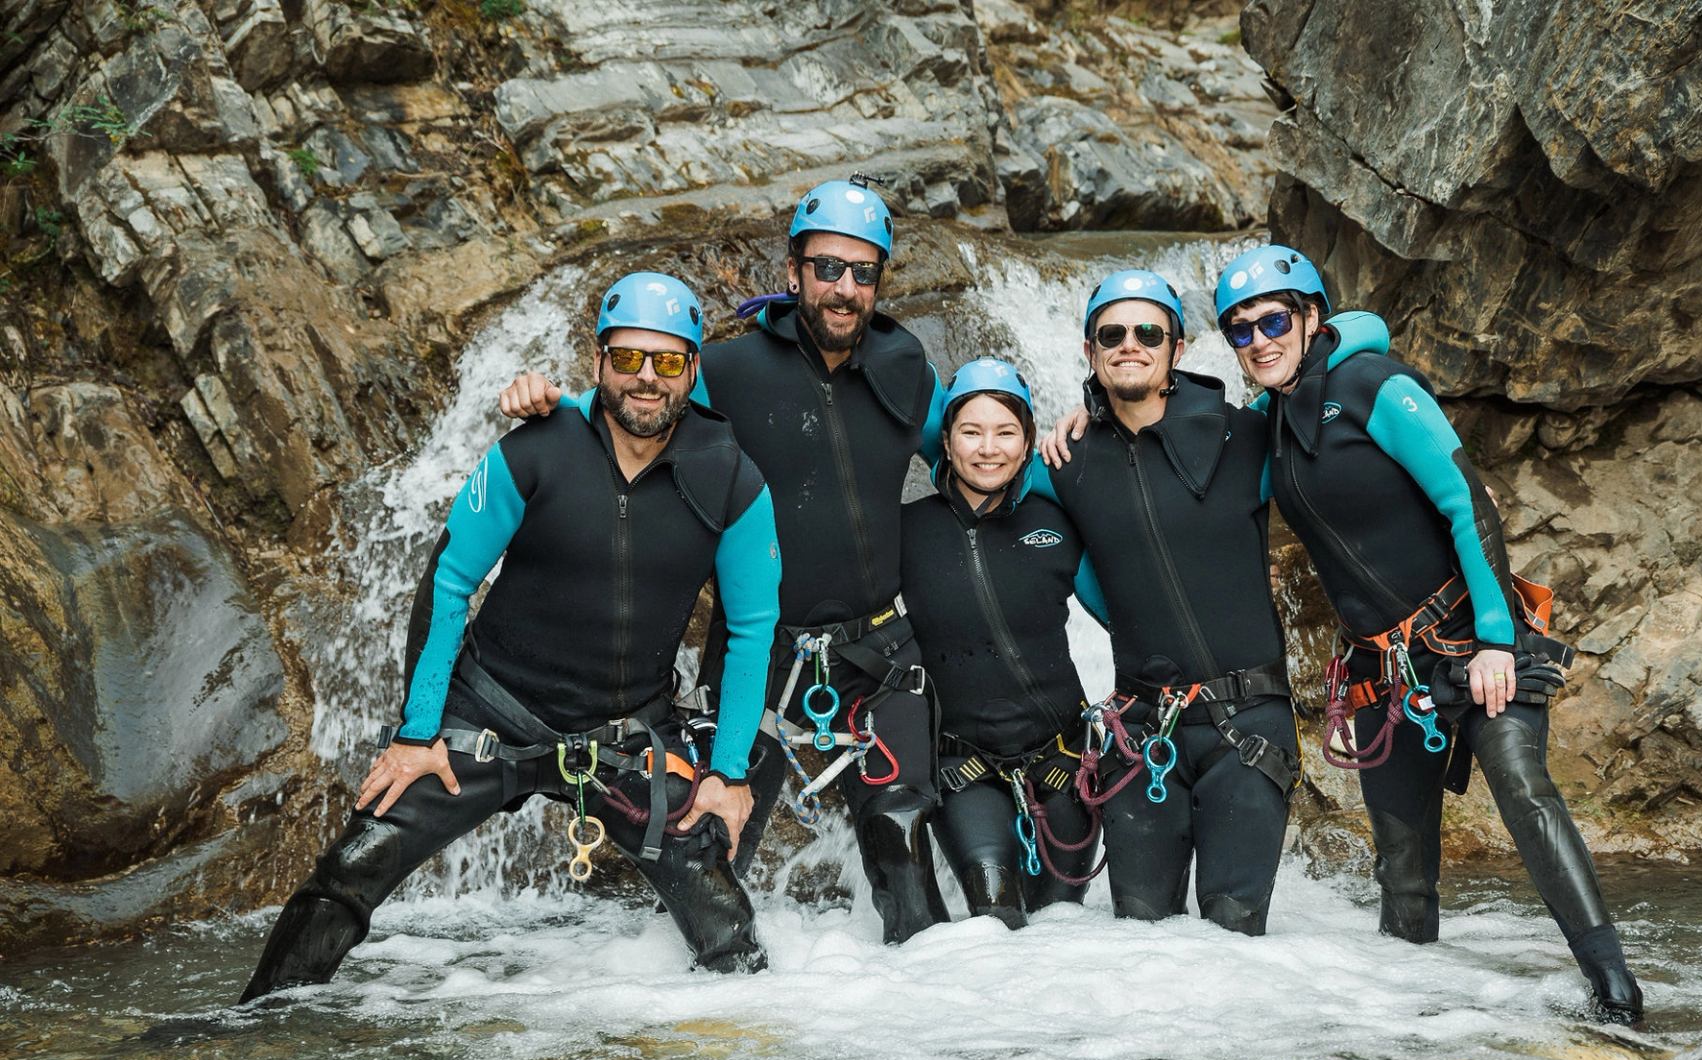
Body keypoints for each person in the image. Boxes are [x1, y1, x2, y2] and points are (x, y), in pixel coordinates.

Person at [238, 271, 781, 1002]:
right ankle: (257, 1034)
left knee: (727, 927)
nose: (645, 378)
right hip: (488, 715)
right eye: (627, 359)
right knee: (346, 875)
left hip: (623, 739)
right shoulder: (535, 450)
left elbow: (751, 631)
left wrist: (730, 775)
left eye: (668, 361)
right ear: (596, 361)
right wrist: (417, 731)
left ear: (692, 371)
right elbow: (450, 579)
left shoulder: (733, 482)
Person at [495, 176, 951, 945]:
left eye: (862, 271)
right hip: (759, 654)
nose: (844, 288)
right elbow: (636, 405)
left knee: (902, 843)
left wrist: (1050, 450)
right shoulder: (730, 371)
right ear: (794, 269)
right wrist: (551, 402)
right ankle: (711, 1026)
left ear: (880, 279)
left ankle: (937, 1034)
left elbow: (978, 464)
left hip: (880, 652)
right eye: (827, 267)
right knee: (711, 845)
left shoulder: (906, 367)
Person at [1212, 242, 1643, 1024]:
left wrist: (1496, 640)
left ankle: (1615, 987)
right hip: (1383, 671)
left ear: (1310, 316)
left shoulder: (1377, 385)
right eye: (1239, 331)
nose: (1258, 341)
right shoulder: (1265, 427)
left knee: (1525, 792)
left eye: (1272, 320)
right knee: (1403, 863)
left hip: (1466, 640)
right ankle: (1418, 1031)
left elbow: (1465, 501)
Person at [1028, 271, 1301, 935]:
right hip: (1141, 731)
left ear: (1177, 348)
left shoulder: (1246, 436)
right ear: (1089, 351)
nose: (1130, 345)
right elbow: (965, 447)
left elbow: (1345, 432)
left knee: (1234, 938)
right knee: (1143, 948)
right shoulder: (1063, 461)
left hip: (1247, 727)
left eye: (1148, 332)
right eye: (1111, 334)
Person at [900, 358, 1110, 927]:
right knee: (995, 922)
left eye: (1005, 432)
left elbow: (1123, 617)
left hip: (1065, 762)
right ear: (945, 441)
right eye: (971, 431)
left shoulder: (1059, 523)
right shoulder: (904, 532)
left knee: (1062, 928)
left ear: (1027, 444)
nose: (987, 448)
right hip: (964, 769)